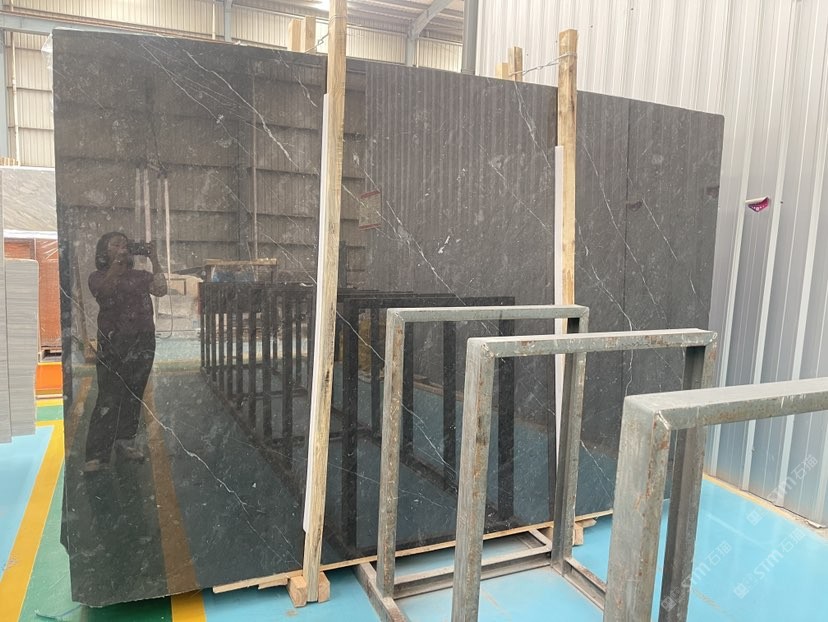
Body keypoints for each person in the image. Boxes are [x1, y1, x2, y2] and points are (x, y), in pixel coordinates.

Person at [83, 232, 167, 473]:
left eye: (125, 245)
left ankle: (125, 442)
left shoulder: (141, 276)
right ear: (104, 251)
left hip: (143, 340)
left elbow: (161, 289)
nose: (122, 248)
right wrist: (116, 266)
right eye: (116, 244)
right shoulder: (97, 277)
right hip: (113, 341)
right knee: (108, 396)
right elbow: (105, 293)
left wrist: (155, 259)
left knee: (134, 393)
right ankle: (97, 454)